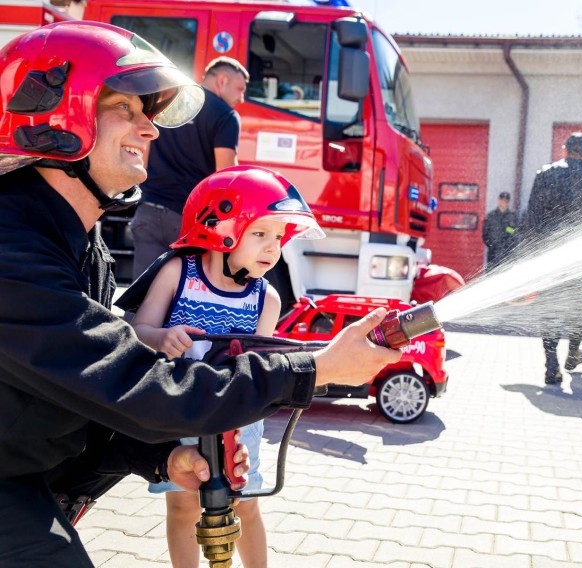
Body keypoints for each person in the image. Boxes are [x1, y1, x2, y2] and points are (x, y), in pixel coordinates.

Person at [0, 22, 401, 568]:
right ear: (55, 116)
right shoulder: (12, 247)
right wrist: (316, 367)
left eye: (151, 113)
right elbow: (130, 384)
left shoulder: (75, 235)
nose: (152, 131)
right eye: (127, 109)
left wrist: (166, 457)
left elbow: (83, 397)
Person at [130, 165, 321, 568]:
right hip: (180, 410)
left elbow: (260, 366)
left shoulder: (266, 299)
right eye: (260, 233)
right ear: (218, 227)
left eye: (279, 238)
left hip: (237, 419)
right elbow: (138, 328)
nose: (273, 248)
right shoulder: (178, 272)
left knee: (245, 503)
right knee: (183, 505)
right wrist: (162, 337)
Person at [130, 56, 248, 279]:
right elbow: (225, 177)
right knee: (179, 298)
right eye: (240, 89)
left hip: (148, 210)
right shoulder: (226, 116)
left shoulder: (169, 102)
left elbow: (142, 158)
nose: (241, 98)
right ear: (222, 81)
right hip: (188, 222)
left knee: (141, 297)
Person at [524, 132, 582, 385]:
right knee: (578, 309)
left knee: (550, 309)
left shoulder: (545, 174)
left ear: (564, 149)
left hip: (550, 255)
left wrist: (533, 256)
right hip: (581, 257)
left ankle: (552, 364)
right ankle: (572, 354)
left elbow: (531, 220)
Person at [482, 191, 519, 271]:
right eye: (502, 199)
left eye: (506, 200)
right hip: (493, 253)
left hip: (507, 254)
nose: (504, 202)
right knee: (491, 274)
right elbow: (485, 233)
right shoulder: (491, 216)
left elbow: (515, 232)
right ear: (499, 199)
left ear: (508, 201)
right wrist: (491, 245)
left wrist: (507, 229)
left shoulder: (512, 217)